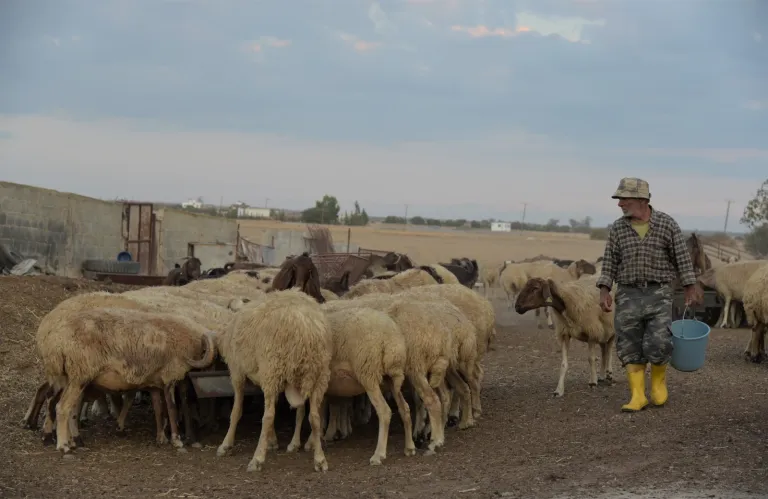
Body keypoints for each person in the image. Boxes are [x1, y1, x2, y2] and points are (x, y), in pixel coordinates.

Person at [595, 177, 700, 412]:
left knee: (659, 341)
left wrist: (689, 286)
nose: (620, 203)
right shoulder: (618, 229)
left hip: (659, 293)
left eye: (624, 198)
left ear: (642, 199)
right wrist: (604, 290)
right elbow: (610, 260)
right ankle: (637, 395)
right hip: (628, 295)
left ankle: (659, 386)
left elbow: (682, 258)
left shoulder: (666, 224)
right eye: (619, 199)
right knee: (629, 344)